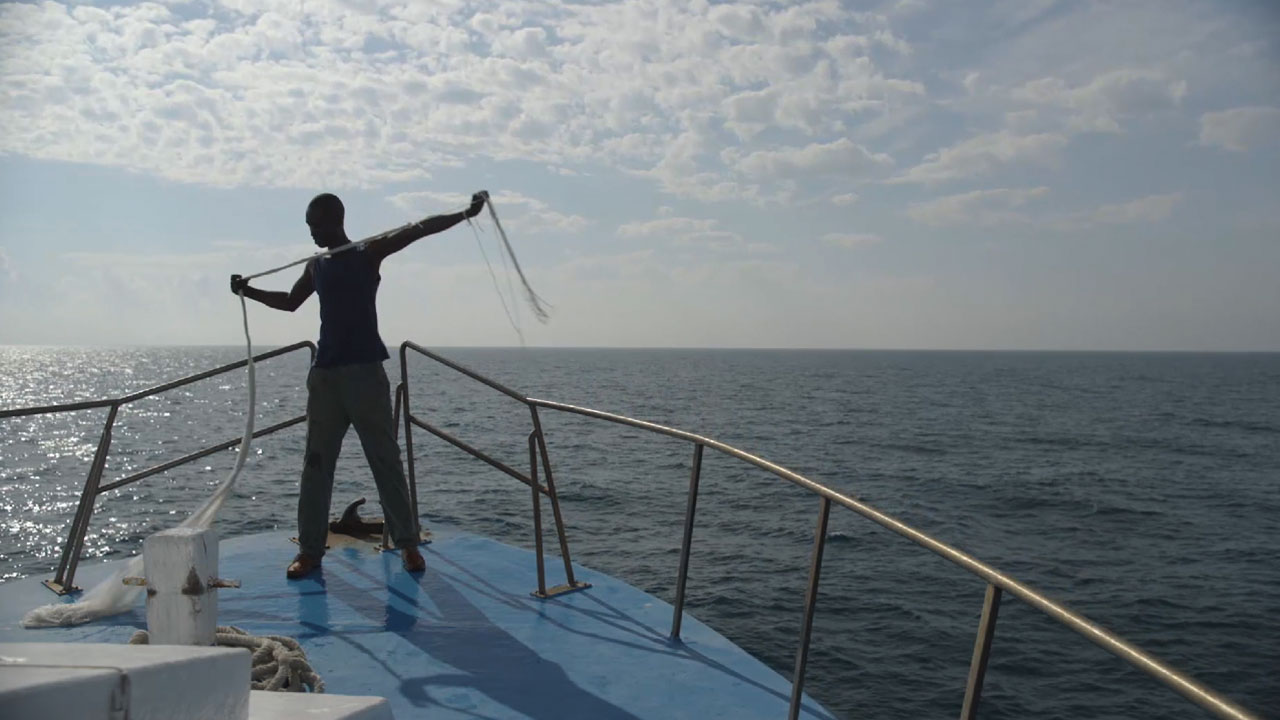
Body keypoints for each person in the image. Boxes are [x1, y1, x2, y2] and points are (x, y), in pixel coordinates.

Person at [230, 190, 487, 579]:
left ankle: (407, 545)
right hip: (325, 378)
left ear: (335, 220)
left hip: (365, 375)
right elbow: (290, 302)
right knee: (315, 467)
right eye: (309, 226)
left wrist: (465, 213)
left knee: (385, 461)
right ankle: (310, 552)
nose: (312, 233)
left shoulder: (368, 253)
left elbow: (418, 229)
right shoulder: (316, 265)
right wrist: (247, 291)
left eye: (316, 225)